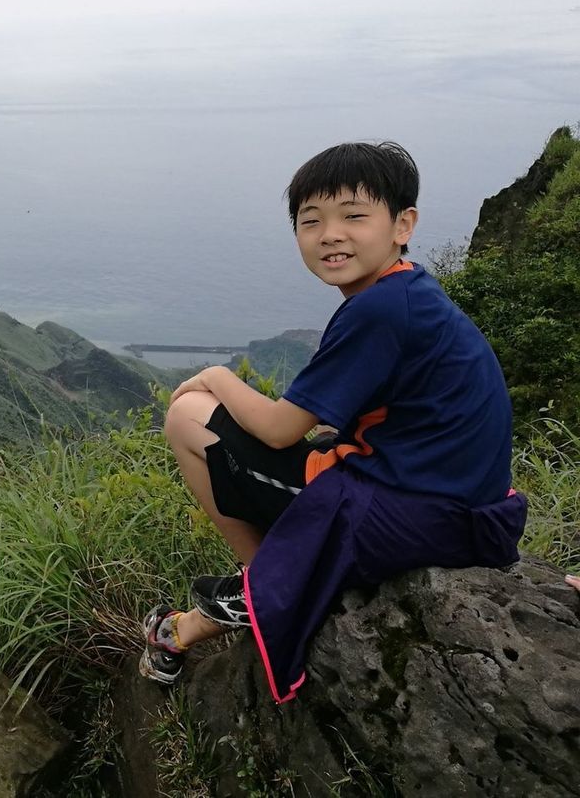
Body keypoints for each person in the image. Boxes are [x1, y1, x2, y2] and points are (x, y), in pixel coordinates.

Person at [139, 142, 527, 701]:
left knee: (187, 417)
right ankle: (266, 582)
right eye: (311, 221)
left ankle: (264, 585)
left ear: (403, 224)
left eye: (353, 216)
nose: (330, 235)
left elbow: (279, 429)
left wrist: (217, 376)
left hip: (417, 516)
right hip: (453, 502)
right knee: (318, 438)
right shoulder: (408, 288)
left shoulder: (378, 309)